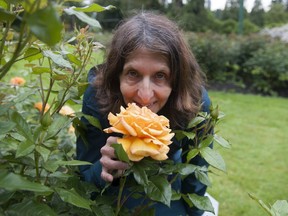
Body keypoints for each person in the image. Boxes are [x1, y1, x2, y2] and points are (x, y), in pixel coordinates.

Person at [76, 11, 212, 216]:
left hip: (167, 180)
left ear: (176, 79)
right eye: (133, 73)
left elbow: (196, 176)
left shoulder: (195, 103)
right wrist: (103, 170)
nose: (146, 96)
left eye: (160, 75)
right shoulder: (97, 95)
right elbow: (85, 180)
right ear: (116, 75)